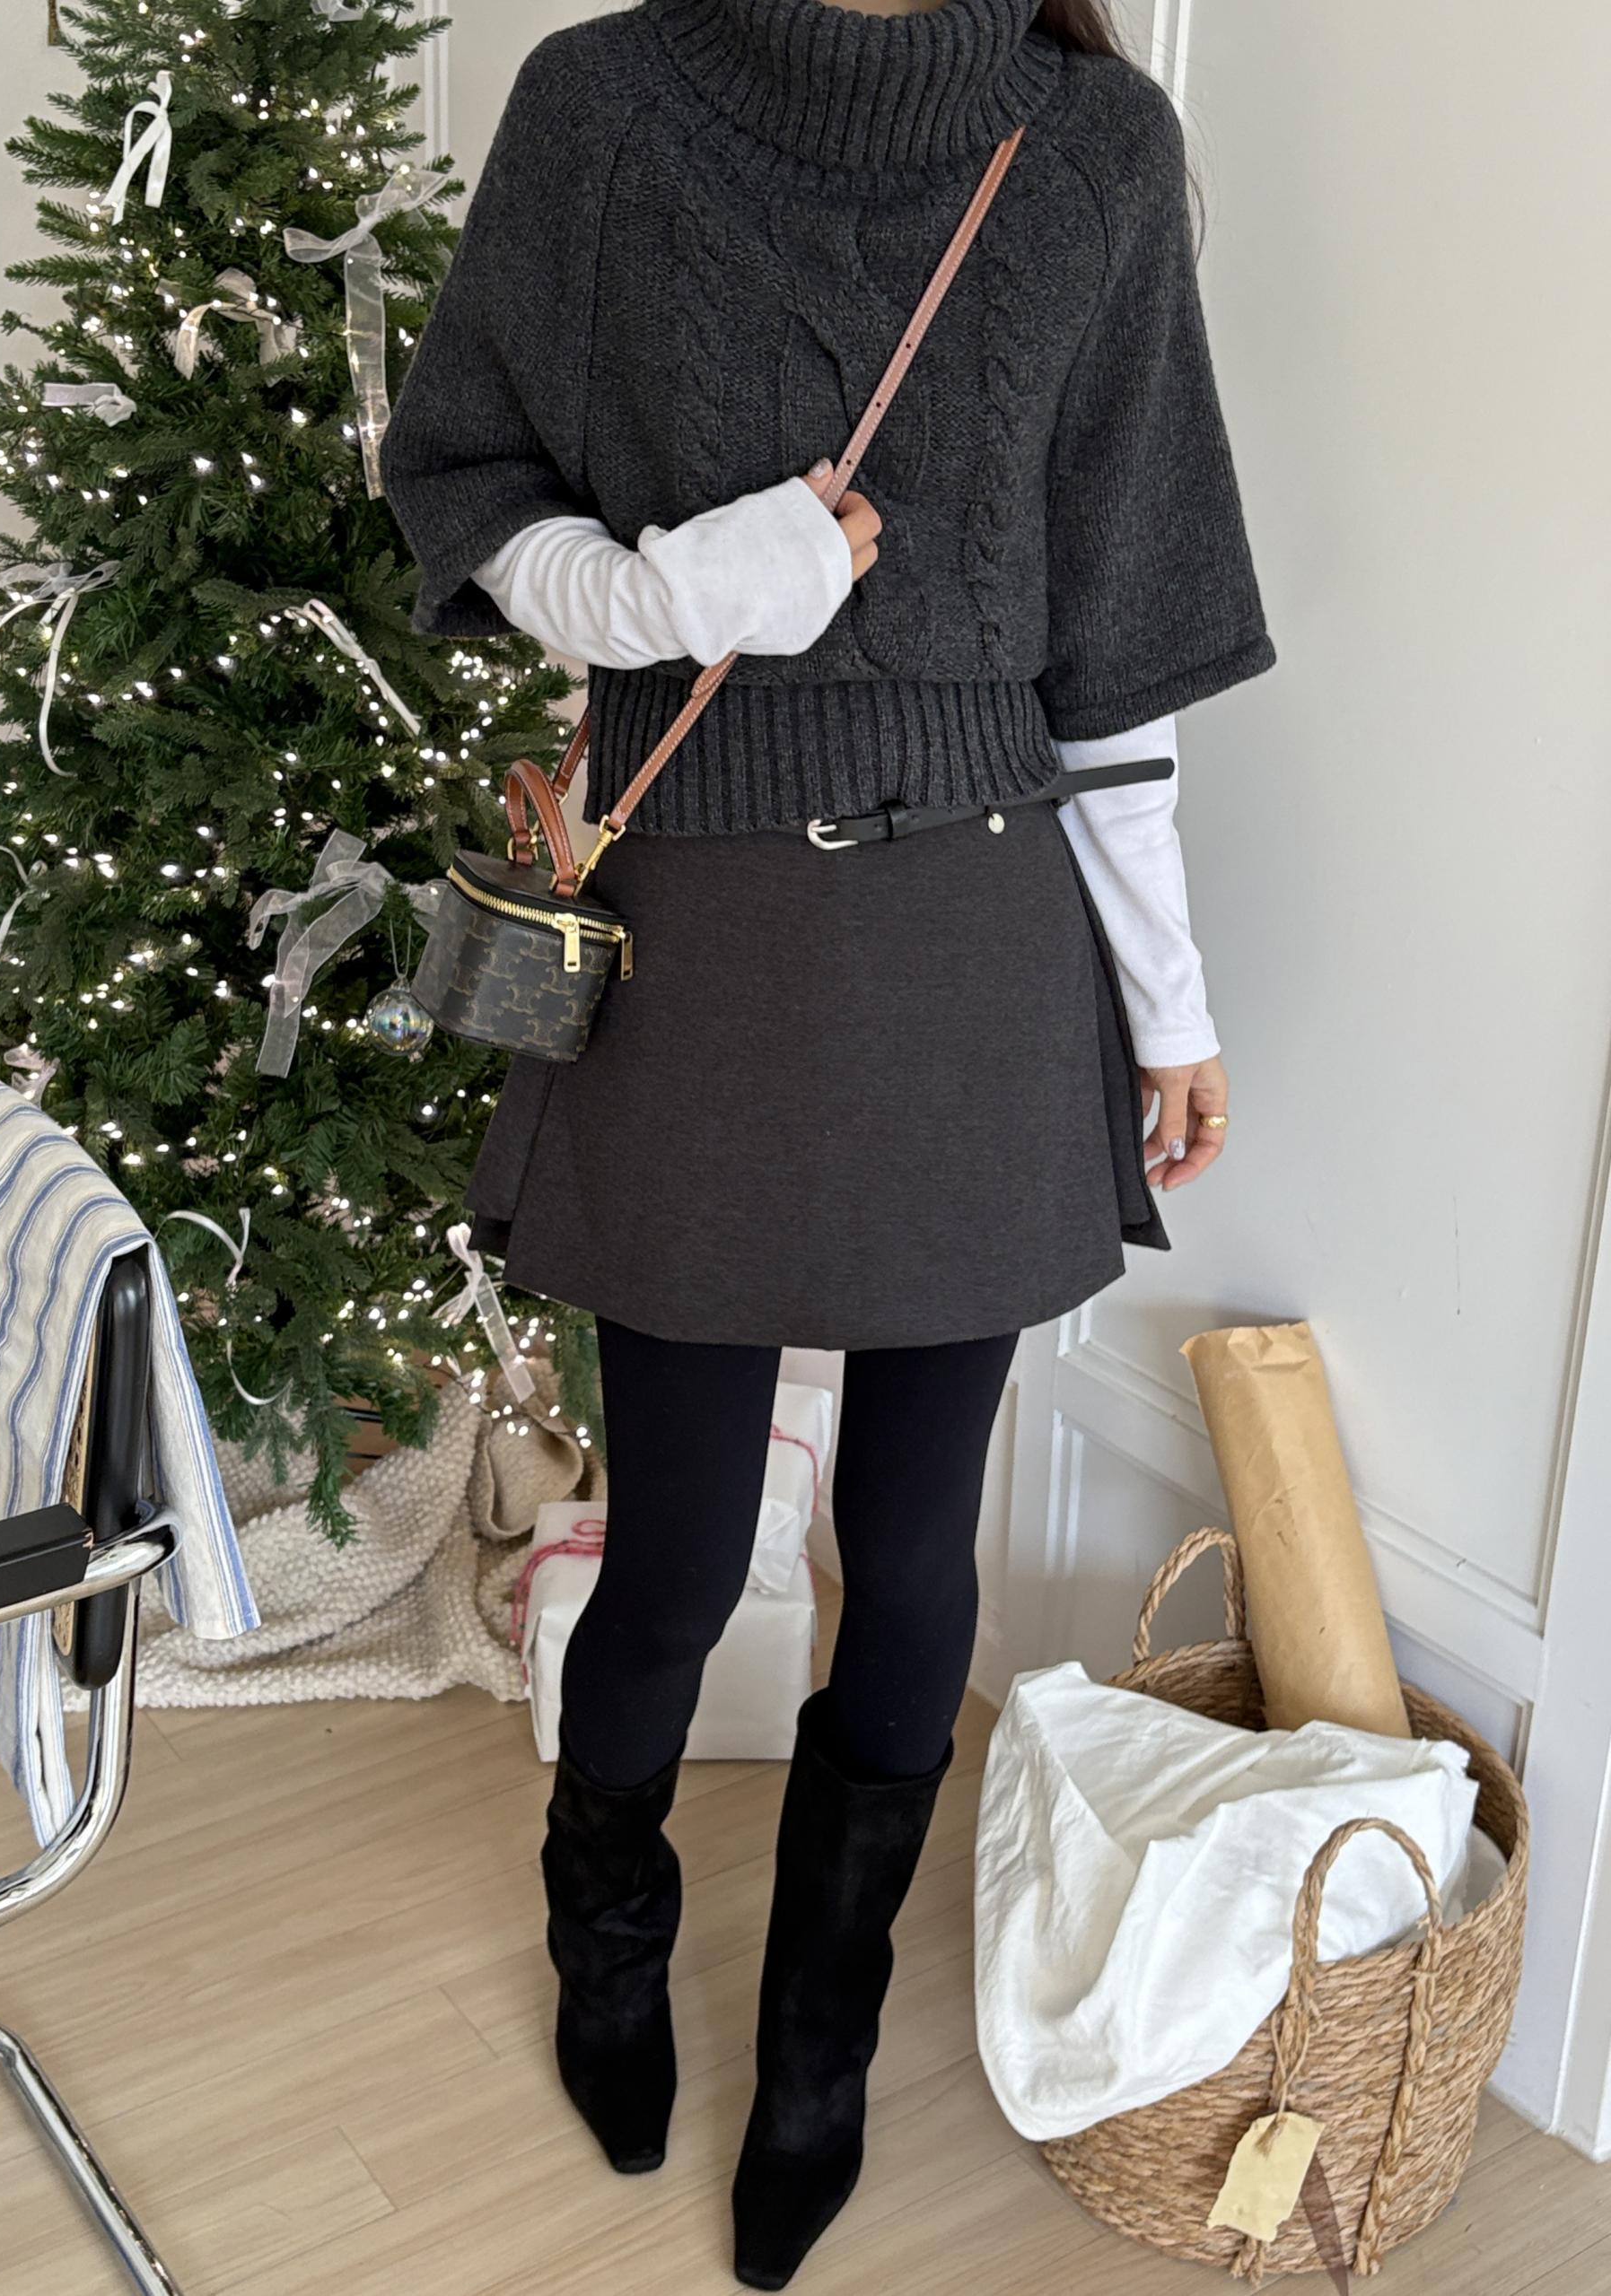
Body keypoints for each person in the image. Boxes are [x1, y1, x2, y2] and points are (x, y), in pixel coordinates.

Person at [381, 0, 1274, 2283]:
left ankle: (819, 2044)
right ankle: (606, 1930)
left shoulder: (1095, 147)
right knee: (679, 1546)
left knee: (911, 1543)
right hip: (700, 922)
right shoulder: (605, 104)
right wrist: (673, 594)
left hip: (978, 932)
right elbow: (465, 480)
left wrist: (1175, 1006)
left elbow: (1114, 658)